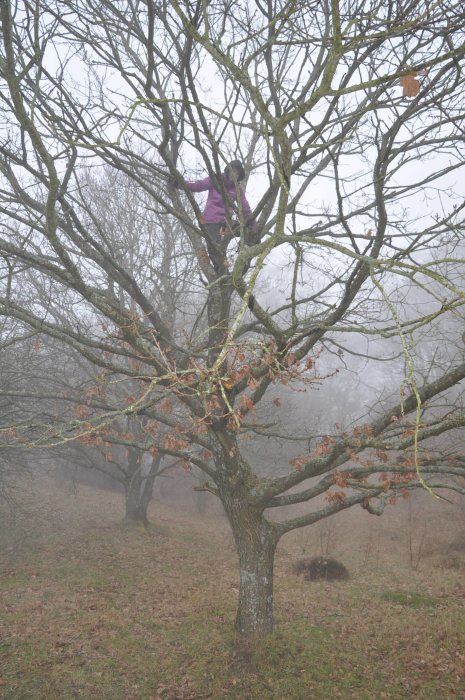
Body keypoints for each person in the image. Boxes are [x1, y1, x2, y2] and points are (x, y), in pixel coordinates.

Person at [171, 160, 258, 272]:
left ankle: (244, 258)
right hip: (211, 220)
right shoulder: (216, 179)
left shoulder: (237, 189)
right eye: (233, 171)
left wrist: (254, 227)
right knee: (215, 248)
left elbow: (245, 208)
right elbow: (198, 185)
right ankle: (221, 271)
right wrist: (179, 183)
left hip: (227, 221)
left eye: (238, 173)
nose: (235, 175)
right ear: (228, 170)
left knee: (247, 231)